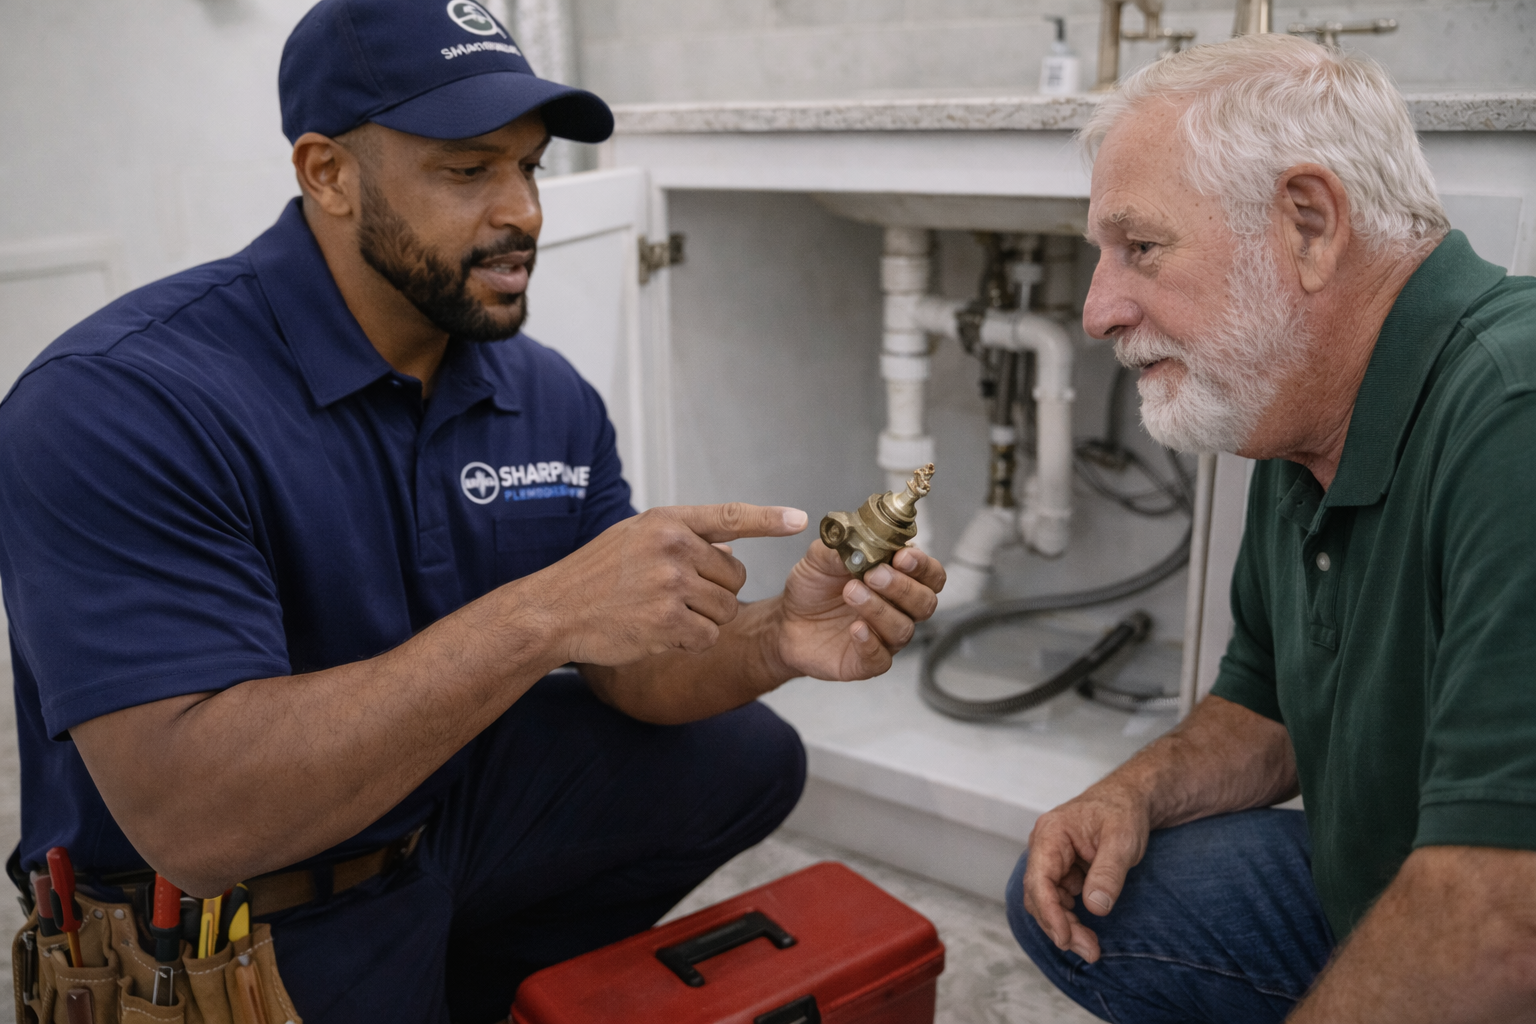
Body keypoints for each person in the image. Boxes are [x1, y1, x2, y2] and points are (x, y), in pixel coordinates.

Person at [0, 2, 944, 1021]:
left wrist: (774, 639)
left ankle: (480, 978)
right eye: (468, 170)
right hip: (229, 920)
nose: (525, 212)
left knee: (745, 756)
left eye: (531, 167)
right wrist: (546, 612)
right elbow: (198, 821)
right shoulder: (121, 401)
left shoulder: (539, 394)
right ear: (328, 173)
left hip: (430, 818)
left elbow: (629, 673)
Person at [1006, 34, 1536, 1024]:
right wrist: (1135, 791)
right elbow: (1268, 711)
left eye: (1143, 247)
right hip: (1413, 878)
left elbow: (1510, 918)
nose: (1097, 311)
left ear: (1307, 222)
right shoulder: (1302, 420)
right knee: (1077, 886)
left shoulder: (1516, 413)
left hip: (1509, 917)